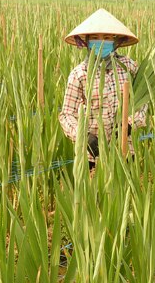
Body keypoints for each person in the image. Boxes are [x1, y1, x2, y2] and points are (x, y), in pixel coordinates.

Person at [59, 9, 146, 168]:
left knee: (122, 190)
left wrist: (131, 123)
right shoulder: (80, 74)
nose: (101, 42)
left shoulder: (128, 67)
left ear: (115, 42)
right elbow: (66, 114)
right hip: (91, 154)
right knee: (94, 191)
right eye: (94, 38)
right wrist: (83, 136)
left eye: (106, 38)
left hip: (124, 149)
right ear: (86, 41)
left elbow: (143, 96)